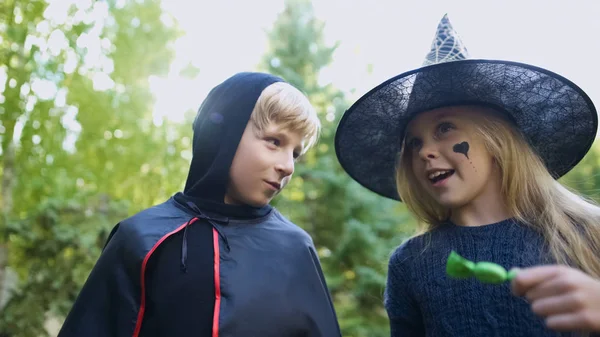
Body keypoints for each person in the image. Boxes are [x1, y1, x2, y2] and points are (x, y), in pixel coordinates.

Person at [334, 14, 600, 336]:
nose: (423, 152)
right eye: (414, 143)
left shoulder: (586, 233)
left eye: (444, 129)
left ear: (495, 140)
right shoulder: (412, 263)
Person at [58, 72, 342, 337]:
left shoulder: (296, 250)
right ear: (223, 135)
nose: (288, 166)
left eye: (296, 153)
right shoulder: (142, 238)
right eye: (274, 141)